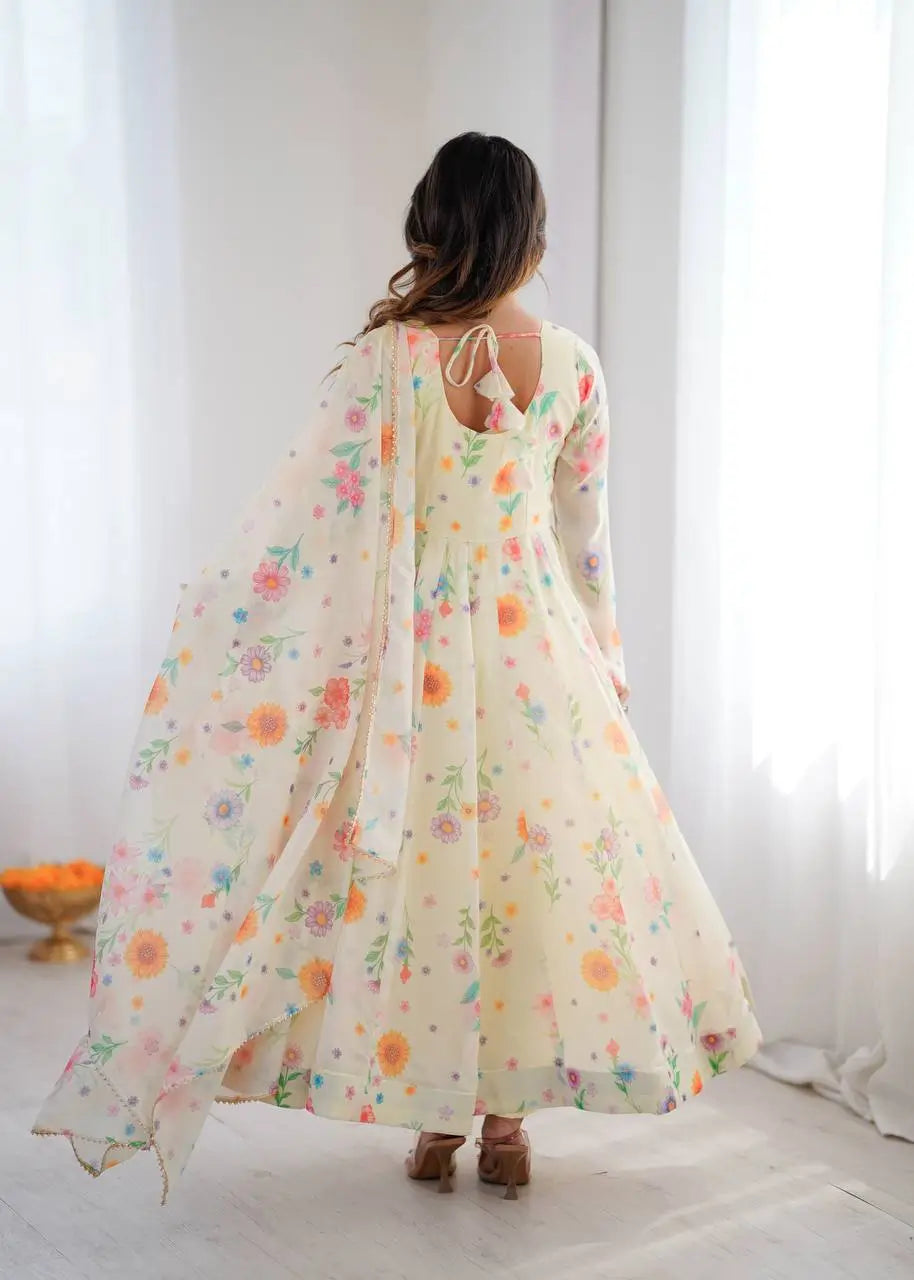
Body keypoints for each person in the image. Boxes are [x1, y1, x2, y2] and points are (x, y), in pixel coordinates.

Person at [33, 132, 761, 1204]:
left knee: (426, 877)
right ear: (531, 233)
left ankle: (435, 1115)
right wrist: (602, 658)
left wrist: (234, 618)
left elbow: (313, 520)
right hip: (536, 654)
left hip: (416, 662)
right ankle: (506, 1126)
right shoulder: (570, 365)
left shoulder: (388, 359)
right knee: (527, 880)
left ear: (432, 226)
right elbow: (584, 536)